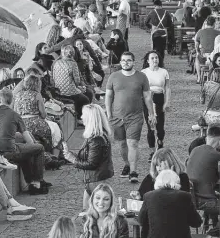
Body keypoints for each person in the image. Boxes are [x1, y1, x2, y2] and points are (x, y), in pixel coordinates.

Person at [0, 88, 49, 195]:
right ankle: (37, 183)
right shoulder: (15, 115)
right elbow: (29, 140)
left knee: (24, 149)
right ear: (12, 100)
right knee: (38, 148)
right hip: (8, 152)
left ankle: (29, 181)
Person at [106, 51, 155, 183]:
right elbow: (109, 96)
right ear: (120, 62)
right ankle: (127, 164)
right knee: (122, 144)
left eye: (128, 60)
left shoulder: (141, 77)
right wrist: (109, 114)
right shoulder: (113, 77)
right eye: (123, 60)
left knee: (132, 143)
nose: (126, 63)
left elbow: (147, 97)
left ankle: (133, 171)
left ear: (133, 62)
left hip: (135, 116)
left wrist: (151, 113)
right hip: (117, 117)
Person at [187, 124, 220, 238]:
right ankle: (212, 234)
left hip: (191, 196)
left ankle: (217, 232)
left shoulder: (195, 150)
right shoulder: (217, 155)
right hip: (205, 200)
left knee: (219, 201)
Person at [62, 104, 114, 211]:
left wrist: (72, 159)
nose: (81, 117)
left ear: (90, 118)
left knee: (93, 214)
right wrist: (70, 155)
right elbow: (89, 158)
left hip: (96, 181)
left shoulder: (96, 140)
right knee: (87, 213)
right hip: (93, 181)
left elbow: (91, 164)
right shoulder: (95, 137)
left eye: (83, 115)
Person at [137, 170, 202, 238]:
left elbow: (141, 220)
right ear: (177, 182)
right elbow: (196, 222)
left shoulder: (148, 196)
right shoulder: (185, 196)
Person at [14, 75, 56, 155]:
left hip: (20, 125)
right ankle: (50, 155)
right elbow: (43, 115)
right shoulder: (37, 95)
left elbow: (15, 112)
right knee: (48, 133)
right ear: (37, 84)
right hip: (35, 124)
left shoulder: (18, 95)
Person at [141, 51, 170, 159]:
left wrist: (167, 102)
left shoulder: (164, 72)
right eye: (152, 58)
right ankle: (152, 151)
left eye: (156, 58)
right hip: (147, 99)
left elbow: (167, 88)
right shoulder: (143, 72)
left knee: (160, 126)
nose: (155, 60)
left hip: (159, 98)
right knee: (150, 127)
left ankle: (160, 142)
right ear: (148, 61)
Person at [52, 45, 92, 120]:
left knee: (82, 94)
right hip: (70, 92)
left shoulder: (56, 63)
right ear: (73, 53)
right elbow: (77, 81)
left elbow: (53, 78)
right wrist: (81, 88)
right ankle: (80, 118)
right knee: (86, 98)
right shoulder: (73, 64)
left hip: (58, 92)